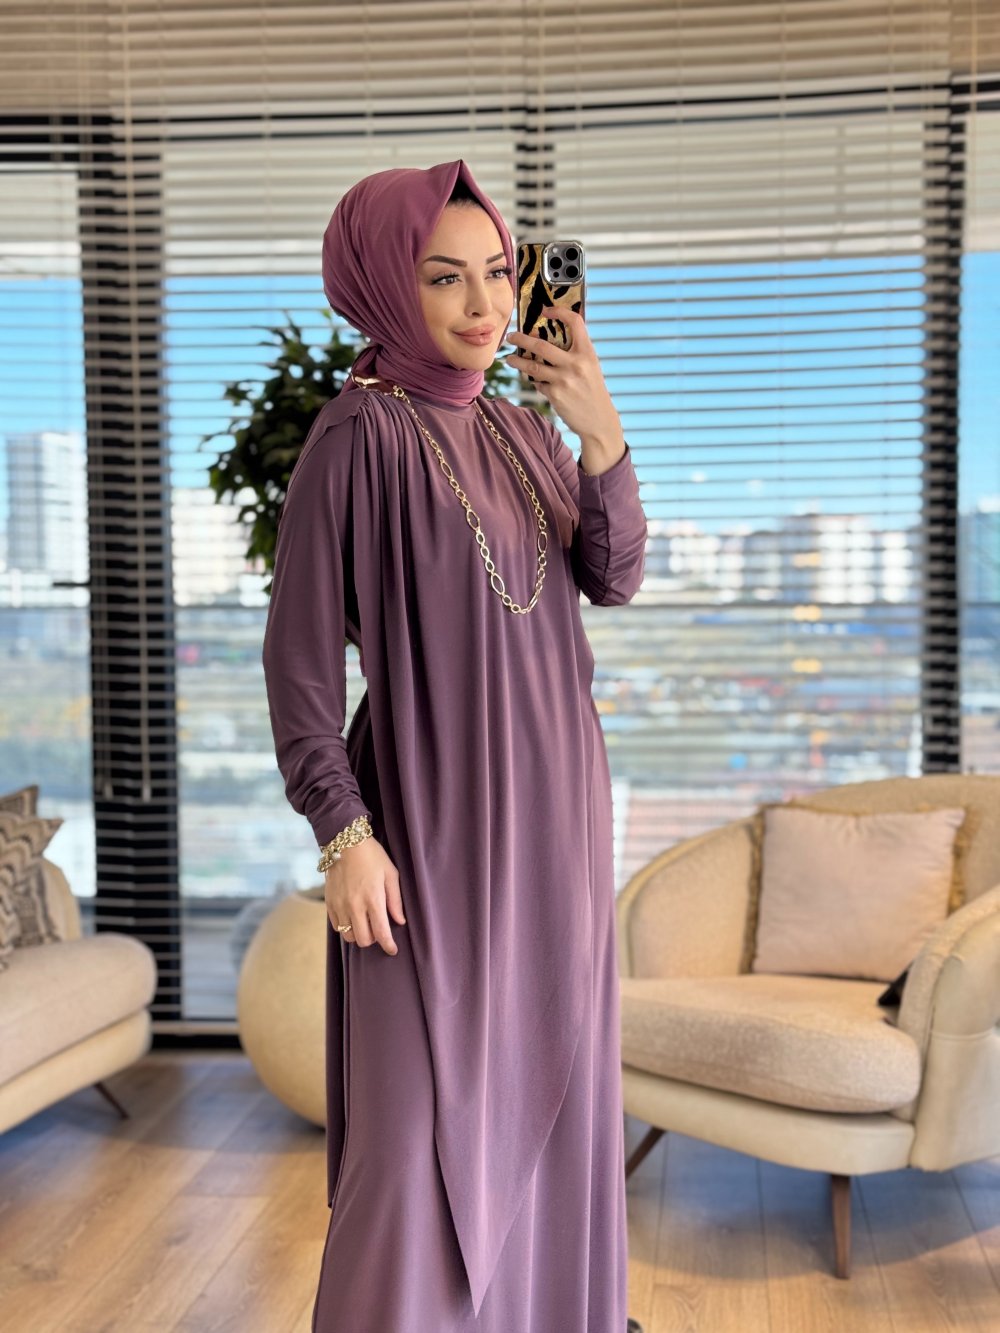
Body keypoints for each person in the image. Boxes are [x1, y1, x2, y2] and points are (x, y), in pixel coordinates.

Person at [261, 158, 648, 1333]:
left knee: (559, 1116)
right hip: (422, 827)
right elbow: (297, 664)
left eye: (495, 273)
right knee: (410, 1147)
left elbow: (613, 576)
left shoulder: (525, 432)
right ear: (386, 283)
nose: (482, 305)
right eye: (444, 278)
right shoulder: (354, 437)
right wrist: (345, 835)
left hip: (558, 820)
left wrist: (598, 433)